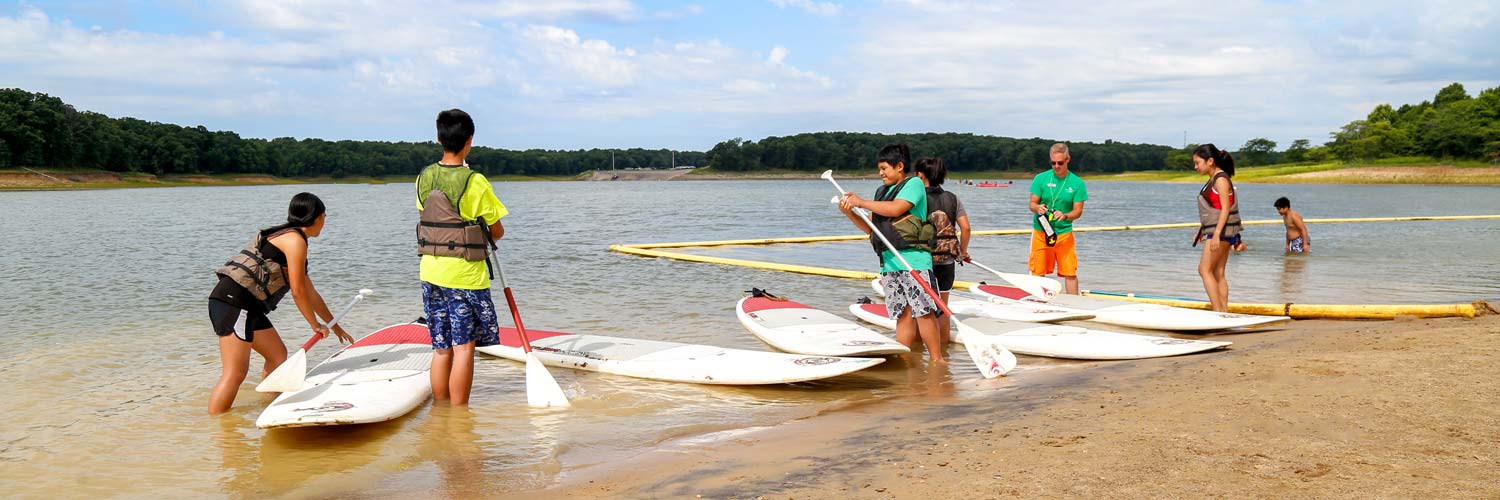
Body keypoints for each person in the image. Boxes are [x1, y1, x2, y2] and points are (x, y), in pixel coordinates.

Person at [207, 192, 353, 414]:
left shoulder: (290, 238)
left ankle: (268, 408)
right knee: (235, 372)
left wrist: (334, 325)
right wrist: (314, 325)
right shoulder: (295, 241)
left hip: (248, 307)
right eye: (325, 217)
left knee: (277, 355)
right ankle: (218, 430)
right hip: (234, 304)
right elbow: (298, 291)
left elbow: (311, 293)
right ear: (319, 217)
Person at [416, 109, 508, 406]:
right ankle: (459, 416)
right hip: (466, 276)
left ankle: (441, 411)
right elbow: (497, 231)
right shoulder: (475, 181)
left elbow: (428, 218)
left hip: (430, 272)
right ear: (469, 140)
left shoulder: (424, 177)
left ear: (439, 138)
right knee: (464, 347)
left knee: (441, 348)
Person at [838, 144, 945, 363]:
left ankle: (937, 360)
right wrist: (850, 212)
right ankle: (904, 360)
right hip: (889, 263)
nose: (881, 173)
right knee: (902, 314)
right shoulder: (881, 192)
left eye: (884, 168)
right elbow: (871, 227)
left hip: (913, 261)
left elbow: (896, 209)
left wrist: (860, 201)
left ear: (900, 166)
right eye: (879, 169)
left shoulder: (913, 183)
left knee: (923, 312)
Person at [914, 157, 971, 347]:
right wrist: (962, 252)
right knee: (943, 307)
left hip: (924, 260)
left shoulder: (917, 199)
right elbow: (966, 228)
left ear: (920, 175)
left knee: (920, 310)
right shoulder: (953, 198)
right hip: (947, 261)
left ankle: (920, 355)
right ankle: (944, 350)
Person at [1027, 143, 1088, 294]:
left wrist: (1065, 215)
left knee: (1070, 272)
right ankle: (1037, 301)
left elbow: (1078, 211)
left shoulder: (1077, 183)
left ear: (1068, 160)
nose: (1056, 166)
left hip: (1064, 233)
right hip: (1042, 231)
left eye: (1060, 163)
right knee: (1037, 271)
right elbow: (1032, 204)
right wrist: (1038, 208)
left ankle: (1074, 304)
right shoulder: (1040, 178)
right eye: (1053, 163)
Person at [1191, 144, 1241, 312]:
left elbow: (1226, 209)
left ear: (1210, 161)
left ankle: (1218, 312)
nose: (1195, 167)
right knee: (1218, 272)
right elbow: (1214, 208)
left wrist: (1217, 234)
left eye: (1198, 163)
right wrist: (1201, 231)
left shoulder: (1220, 179)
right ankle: (1224, 313)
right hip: (1223, 231)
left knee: (1204, 270)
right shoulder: (1216, 178)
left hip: (1221, 233)